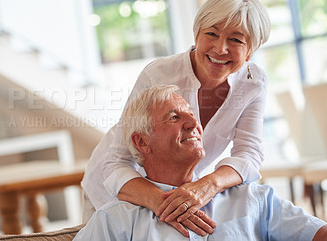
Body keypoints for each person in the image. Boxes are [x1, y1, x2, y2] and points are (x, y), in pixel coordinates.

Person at [82, 0, 271, 236]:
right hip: (116, 188)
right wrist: (165, 204)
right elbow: (117, 161)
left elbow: (249, 152)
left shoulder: (253, 82)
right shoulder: (159, 73)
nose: (220, 48)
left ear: (252, 50)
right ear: (196, 34)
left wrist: (208, 185)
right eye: (211, 33)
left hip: (181, 191)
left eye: (236, 40)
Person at [74, 85, 327, 241]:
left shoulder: (254, 199)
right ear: (141, 143)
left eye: (193, 116)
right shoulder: (115, 221)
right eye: (174, 117)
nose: (194, 124)